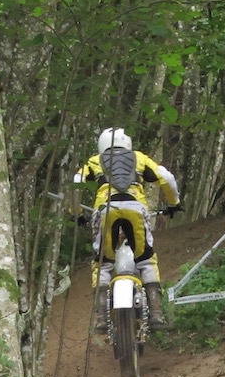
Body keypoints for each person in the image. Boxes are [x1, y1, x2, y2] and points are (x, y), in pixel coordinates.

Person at [72, 127, 182, 333]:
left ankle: (102, 318)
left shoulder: (94, 161)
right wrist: (174, 202)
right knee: (146, 259)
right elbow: (166, 177)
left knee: (103, 264)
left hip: (106, 210)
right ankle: (157, 313)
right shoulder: (139, 158)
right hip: (135, 209)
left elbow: (76, 182)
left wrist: (76, 212)